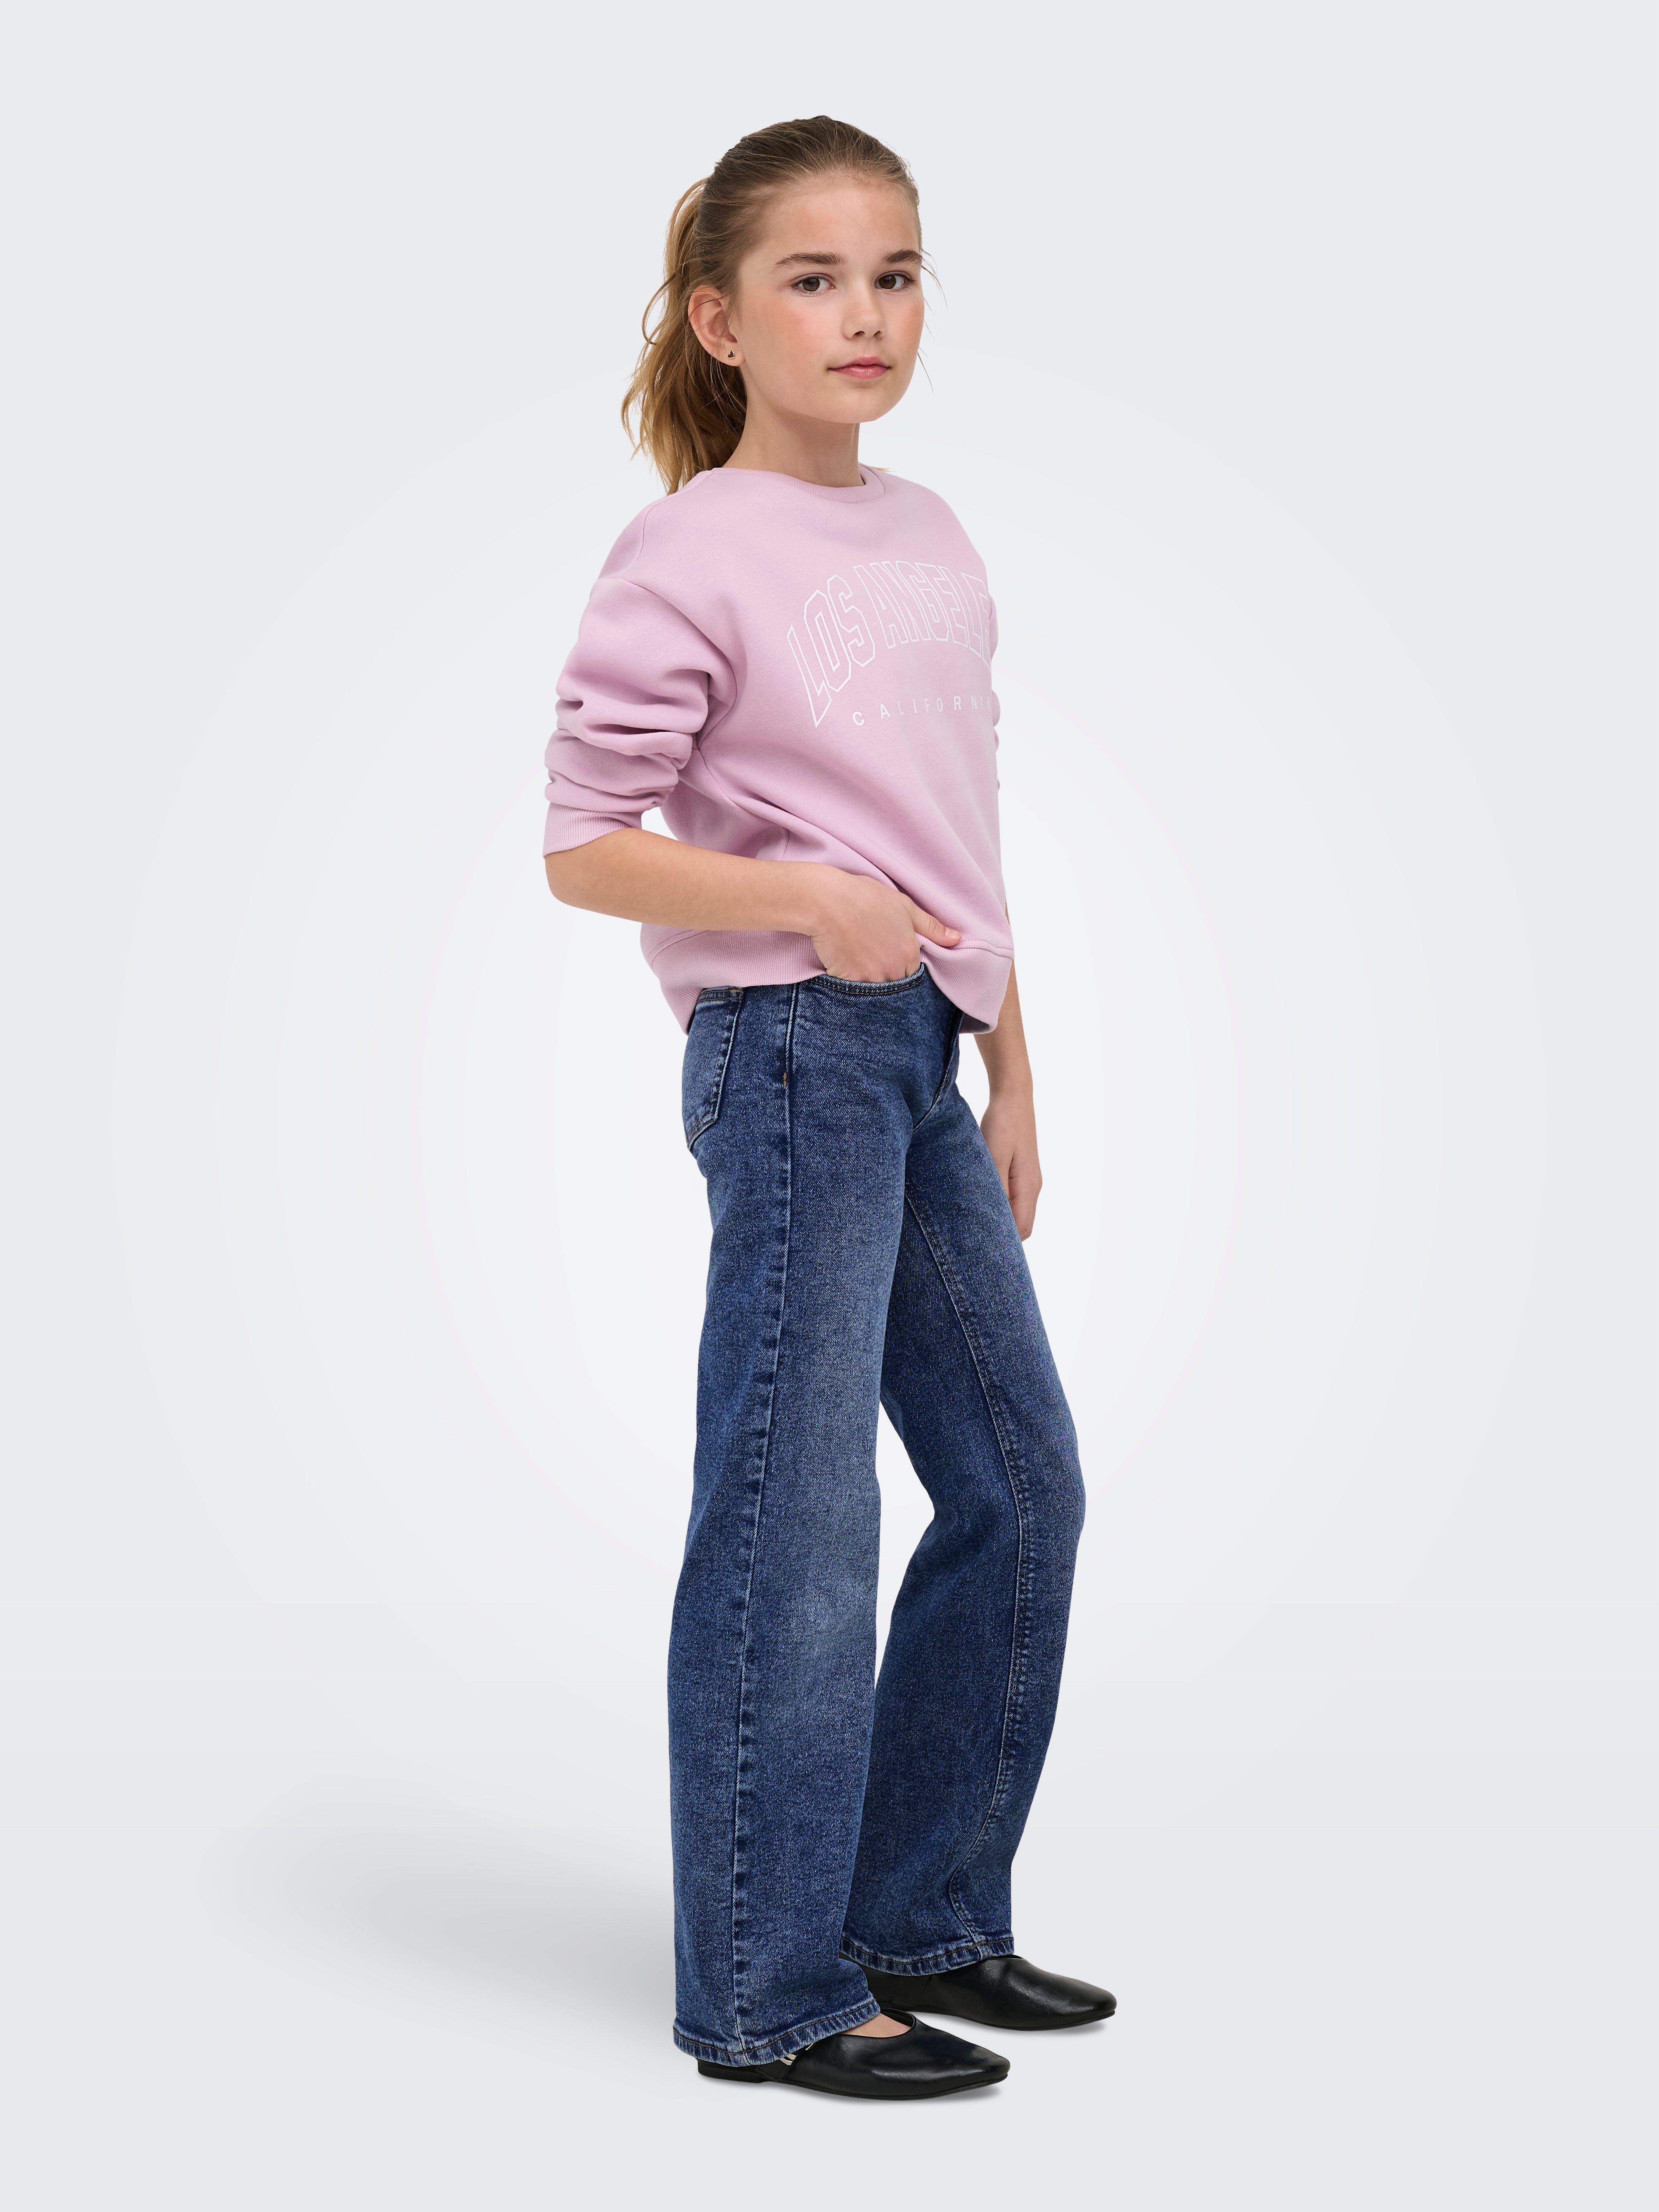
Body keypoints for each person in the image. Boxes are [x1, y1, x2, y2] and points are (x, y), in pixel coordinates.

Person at [542, 116, 1112, 2102]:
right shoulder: (688, 546)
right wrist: (804, 902)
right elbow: (582, 847)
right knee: (796, 1518)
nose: (863, 315)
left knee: (1019, 1480)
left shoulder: (931, 534)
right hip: (789, 1050)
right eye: (811, 280)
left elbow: (958, 824)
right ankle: (769, 1990)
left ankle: (925, 1913)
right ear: (720, 319)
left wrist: (1011, 1057)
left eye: (894, 275)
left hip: (924, 1050)